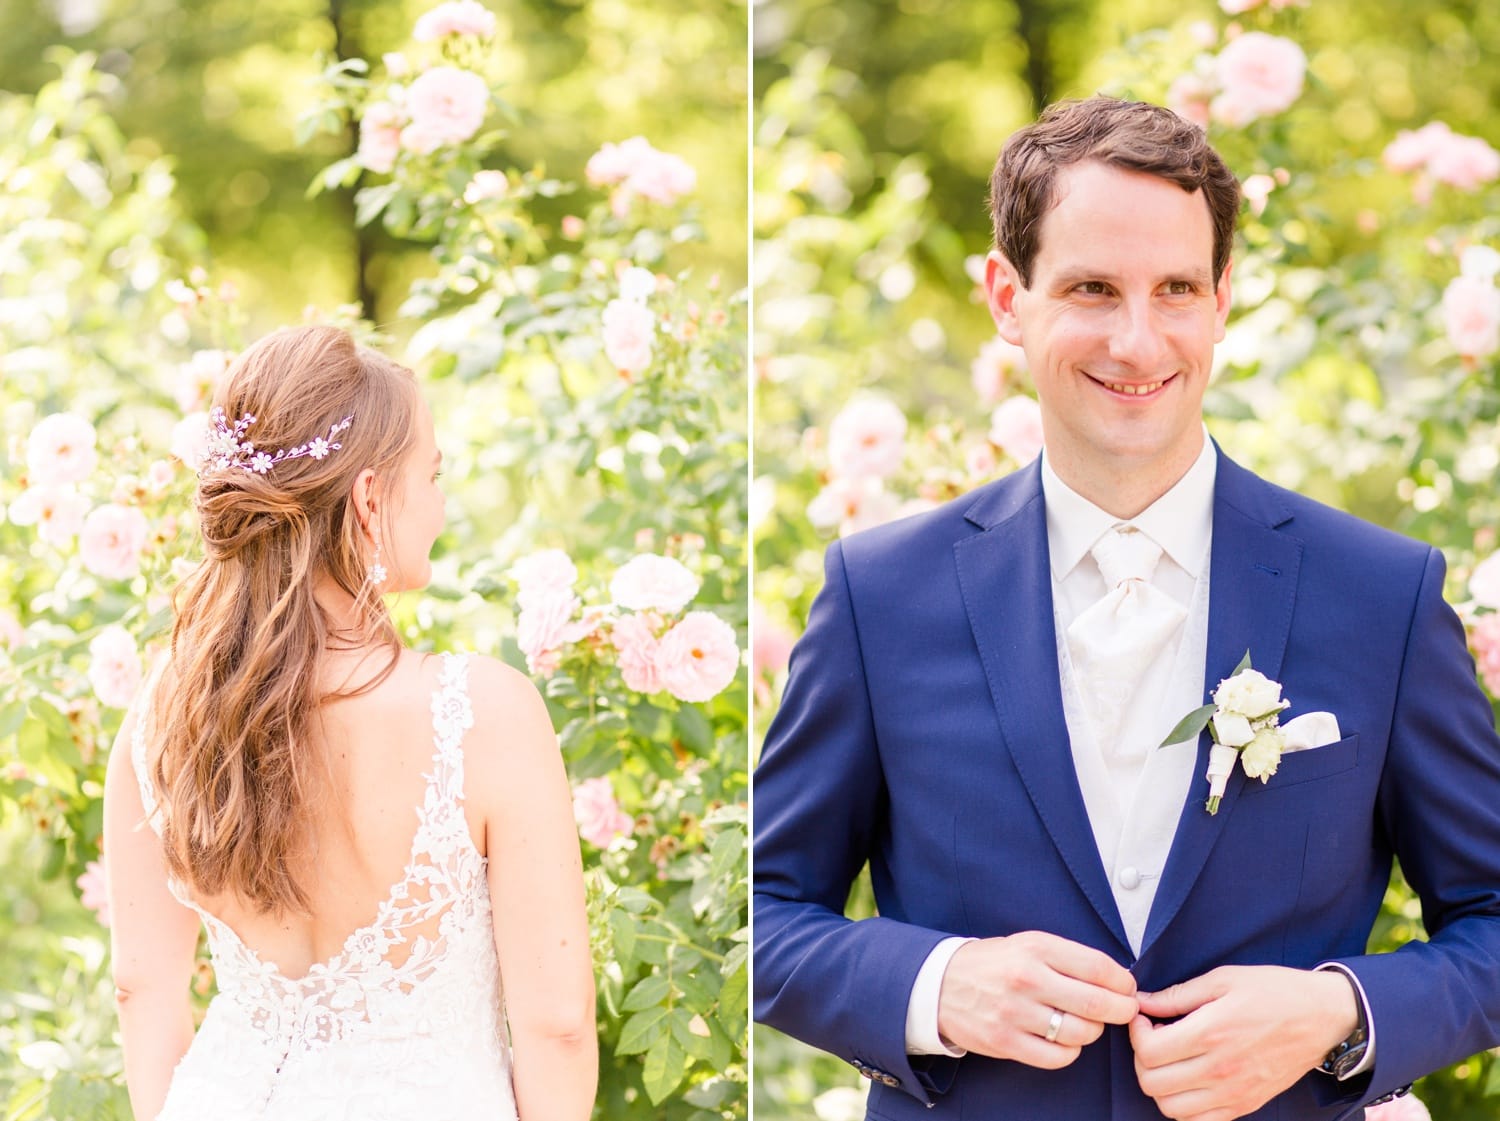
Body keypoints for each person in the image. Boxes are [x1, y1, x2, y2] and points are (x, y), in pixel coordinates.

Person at [752, 97, 1500, 1120]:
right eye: (1093, 289)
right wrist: (937, 985)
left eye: (1177, 289)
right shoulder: (880, 595)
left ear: (1224, 298)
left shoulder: (1382, 592)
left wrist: (1339, 1008)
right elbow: (761, 915)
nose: (1139, 340)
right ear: (1008, 297)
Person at [103, 326, 597, 1120]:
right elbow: (559, 1027)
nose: (439, 504)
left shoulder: (164, 715)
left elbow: (142, 988)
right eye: (430, 476)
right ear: (370, 499)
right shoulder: (485, 715)